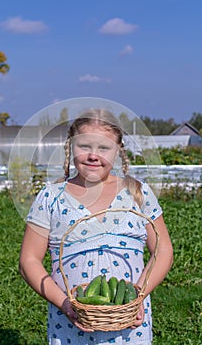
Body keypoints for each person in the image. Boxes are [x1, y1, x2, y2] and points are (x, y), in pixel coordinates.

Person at [19, 109, 173, 344]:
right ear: (71, 148)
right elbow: (28, 260)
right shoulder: (51, 197)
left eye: (104, 148)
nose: (93, 155)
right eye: (84, 146)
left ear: (118, 150)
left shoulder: (138, 194)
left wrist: (137, 296)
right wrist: (65, 303)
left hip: (130, 325)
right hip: (70, 323)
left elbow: (163, 251)